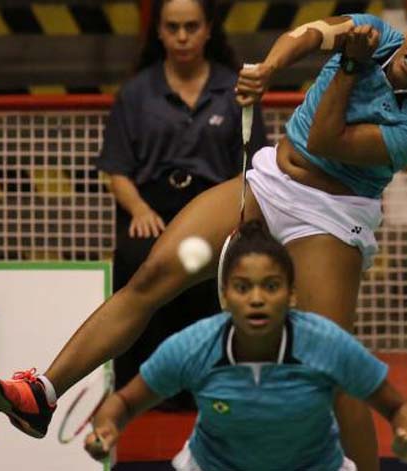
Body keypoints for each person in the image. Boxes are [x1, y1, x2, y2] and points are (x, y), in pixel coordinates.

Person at [0, 2, 407, 469]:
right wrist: (269, 67)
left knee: (329, 361)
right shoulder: (374, 32)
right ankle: (43, 392)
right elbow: (308, 34)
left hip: (331, 213)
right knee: (151, 275)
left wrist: (351, 67)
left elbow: (325, 138)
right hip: (269, 180)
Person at [83, 220, 407, 470]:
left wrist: (405, 438)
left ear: (292, 295)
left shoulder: (325, 343)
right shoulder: (196, 346)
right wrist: (106, 428)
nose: (256, 299)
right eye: (243, 288)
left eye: (271, 286)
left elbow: (397, 406)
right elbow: (125, 402)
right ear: (225, 296)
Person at [94, 0, 265, 403]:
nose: (183, 36)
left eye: (191, 26)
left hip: (215, 207)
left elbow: (253, 166)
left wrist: (237, 218)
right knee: (138, 259)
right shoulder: (136, 93)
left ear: (208, 30)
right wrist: (137, 209)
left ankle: (214, 385)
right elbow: (117, 171)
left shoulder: (237, 89)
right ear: (160, 32)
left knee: (223, 266)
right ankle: (137, 393)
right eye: (173, 27)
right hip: (151, 210)